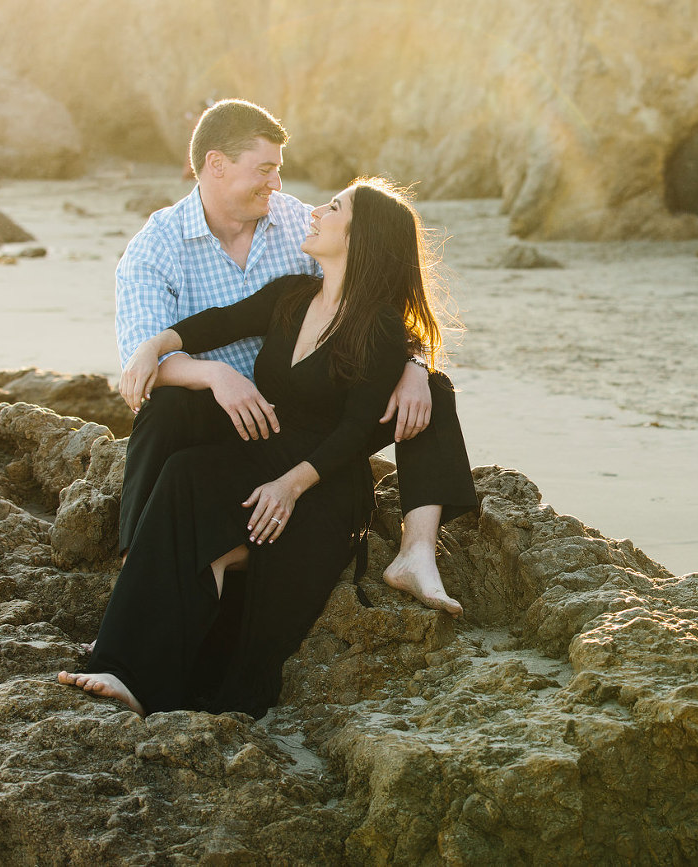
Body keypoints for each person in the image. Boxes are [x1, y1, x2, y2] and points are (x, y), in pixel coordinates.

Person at [61, 178, 470, 716]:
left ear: (359, 236)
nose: (316, 212)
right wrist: (155, 346)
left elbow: (353, 433)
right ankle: (122, 670)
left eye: (334, 206)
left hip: (321, 480)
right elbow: (214, 325)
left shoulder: (380, 327)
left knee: (210, 538)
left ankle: (153, 677)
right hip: (263, 451)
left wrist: (289, 486)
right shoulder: (290, 296)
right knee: (185, 474)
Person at [114, 98, 470, 615]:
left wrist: (414, 363)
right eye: (265, 170)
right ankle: (136, 570)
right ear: (216, 165)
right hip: (219, 413)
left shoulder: (294, 222)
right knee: (163, 412)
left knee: (433, 390)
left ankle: (417, 552)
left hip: (305, 408)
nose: (276, 185)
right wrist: (214, 374)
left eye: (278, 170)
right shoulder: (155, 249)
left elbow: (372, 285)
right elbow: (143, 374)